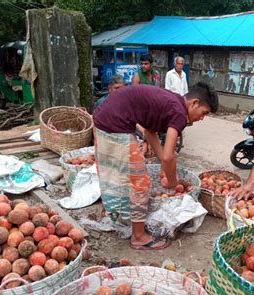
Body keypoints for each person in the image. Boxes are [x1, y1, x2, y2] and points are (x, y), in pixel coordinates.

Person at [93, 82, 218, 250]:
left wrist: (165, 166)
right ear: (194, 103)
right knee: (139, 182)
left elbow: (150, 133)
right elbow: (168, 157)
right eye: (204, 113)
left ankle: (113, 211)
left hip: (104, 117)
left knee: (115, 171)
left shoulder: (172, 102)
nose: (201, 118)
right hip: (116, 123)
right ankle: (138, 237)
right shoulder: (179, 113)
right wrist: (173, 182)